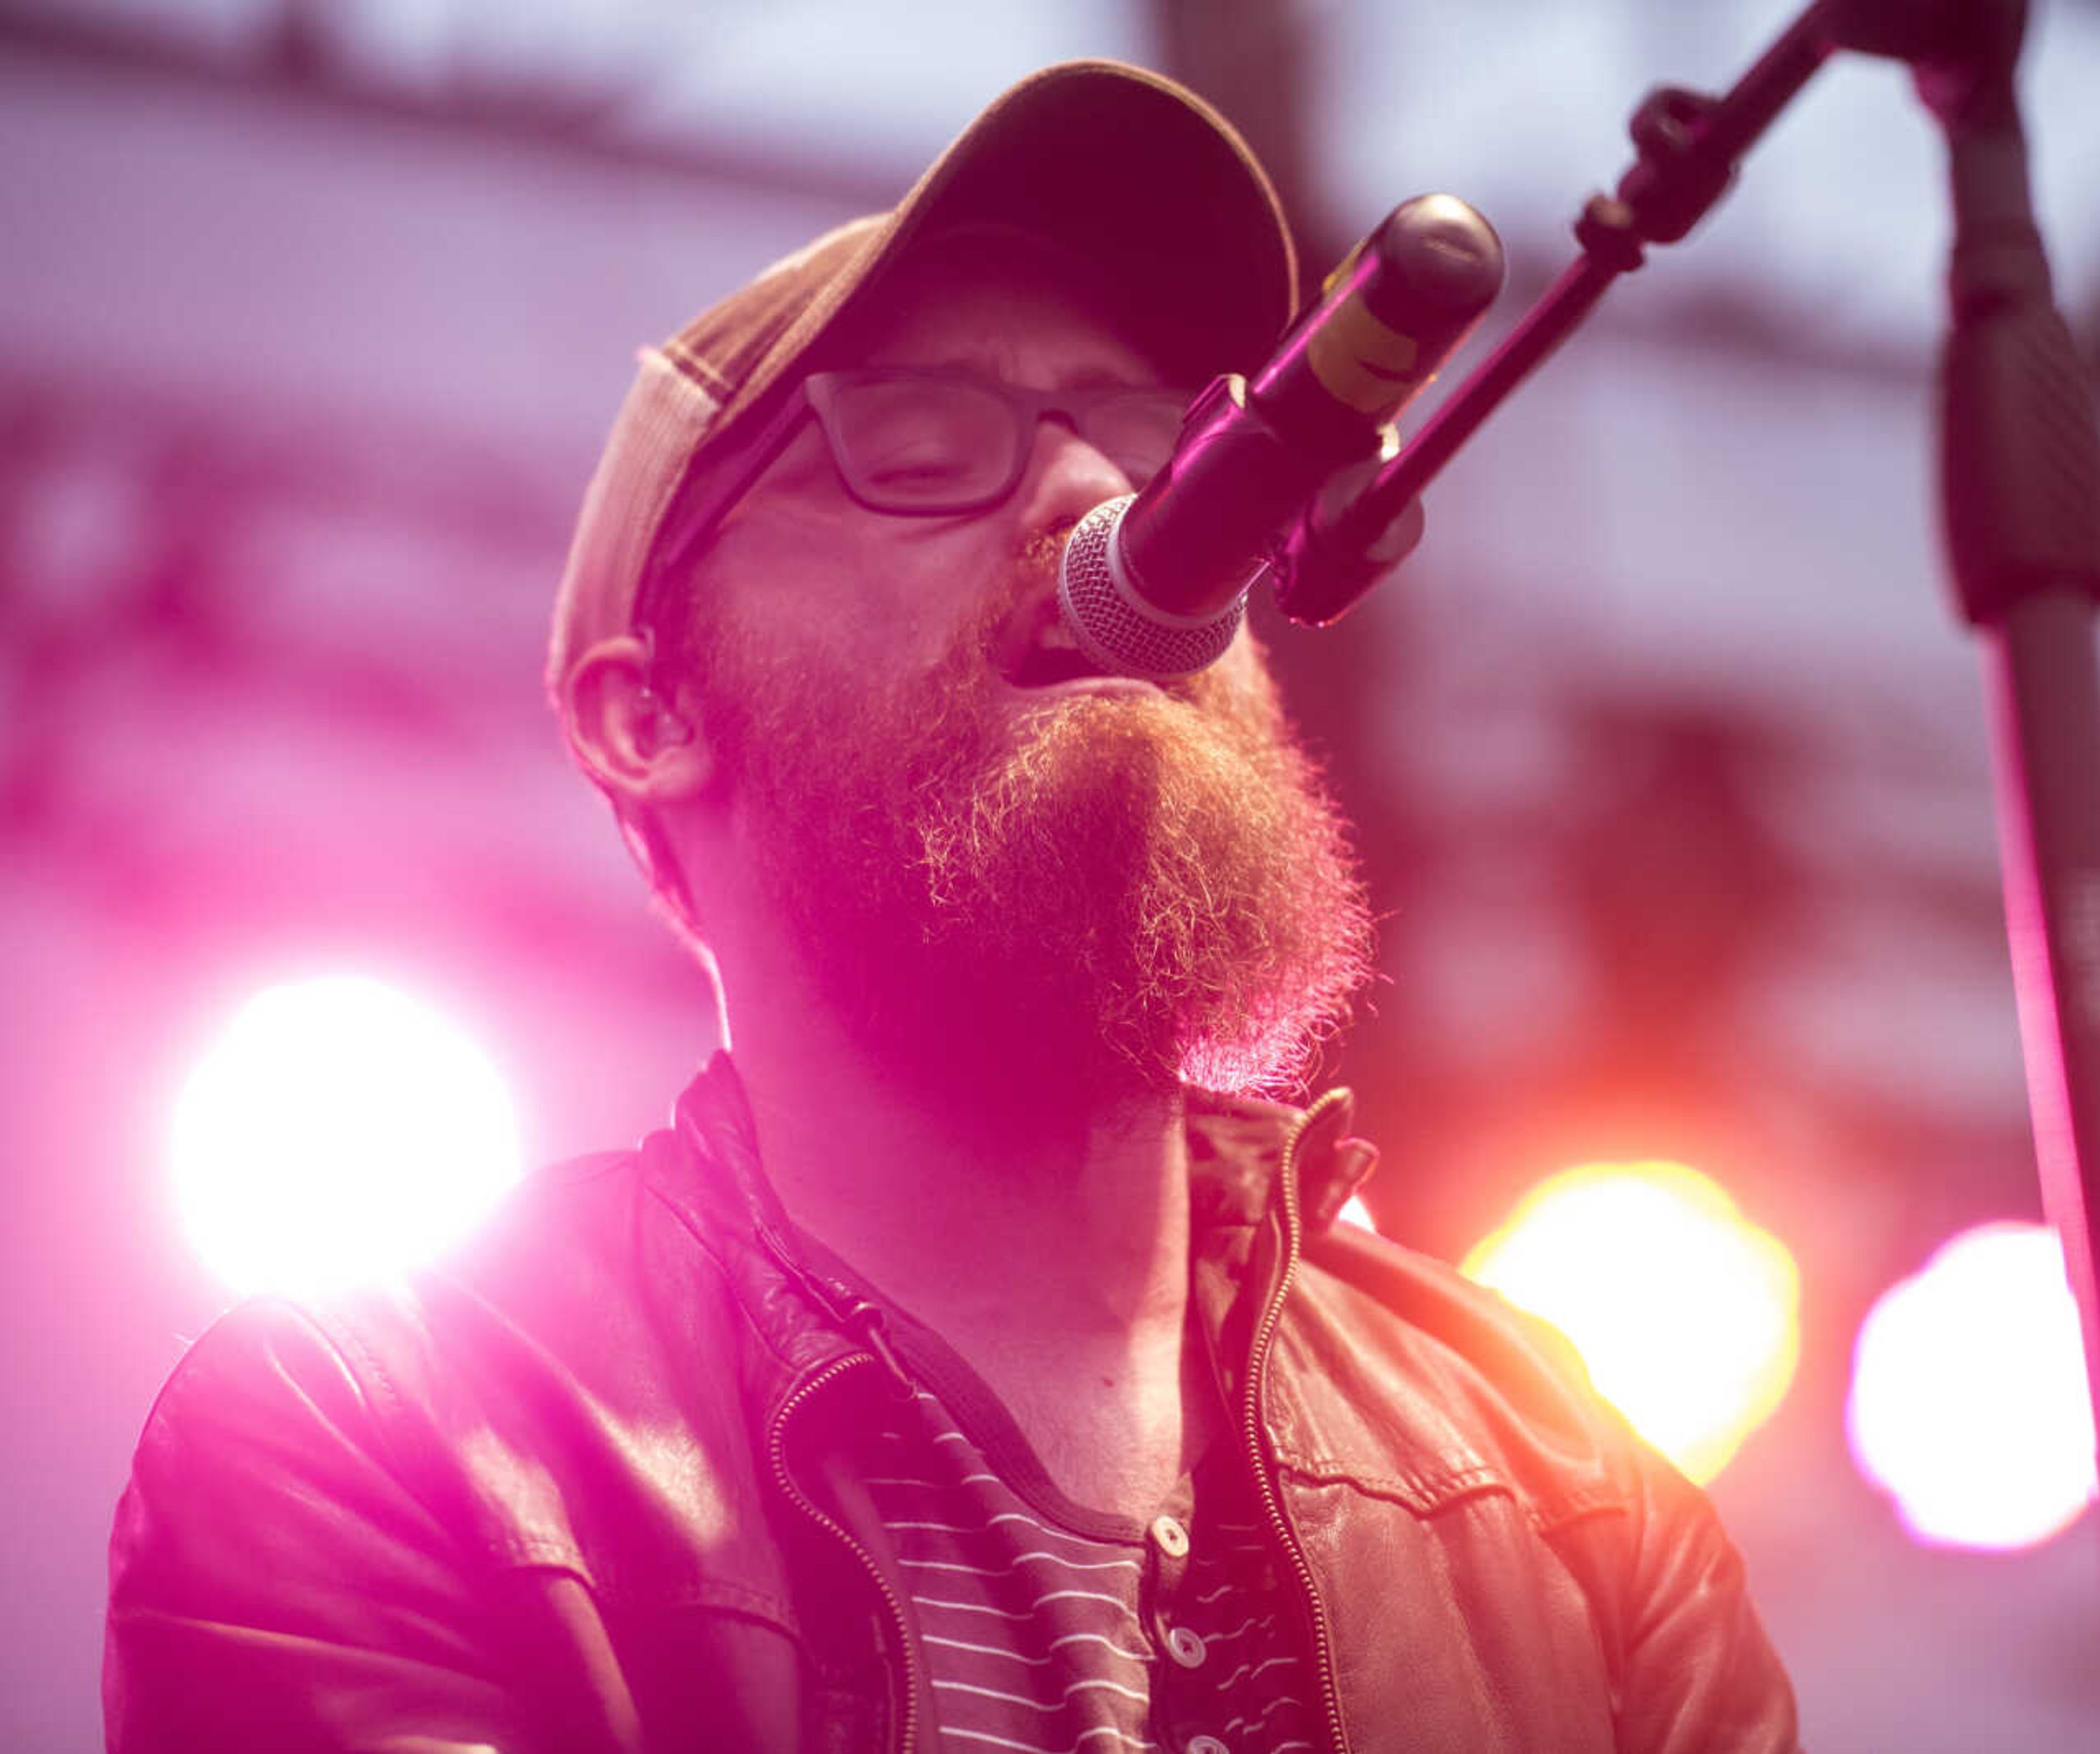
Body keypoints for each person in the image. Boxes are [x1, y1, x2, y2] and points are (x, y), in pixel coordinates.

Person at [103, 60, 1800, 1753]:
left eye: (1155, 437)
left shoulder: (1577, 1491)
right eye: (916, 447)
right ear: (653, 712)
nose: (1096, 501)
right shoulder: (378, 1433)